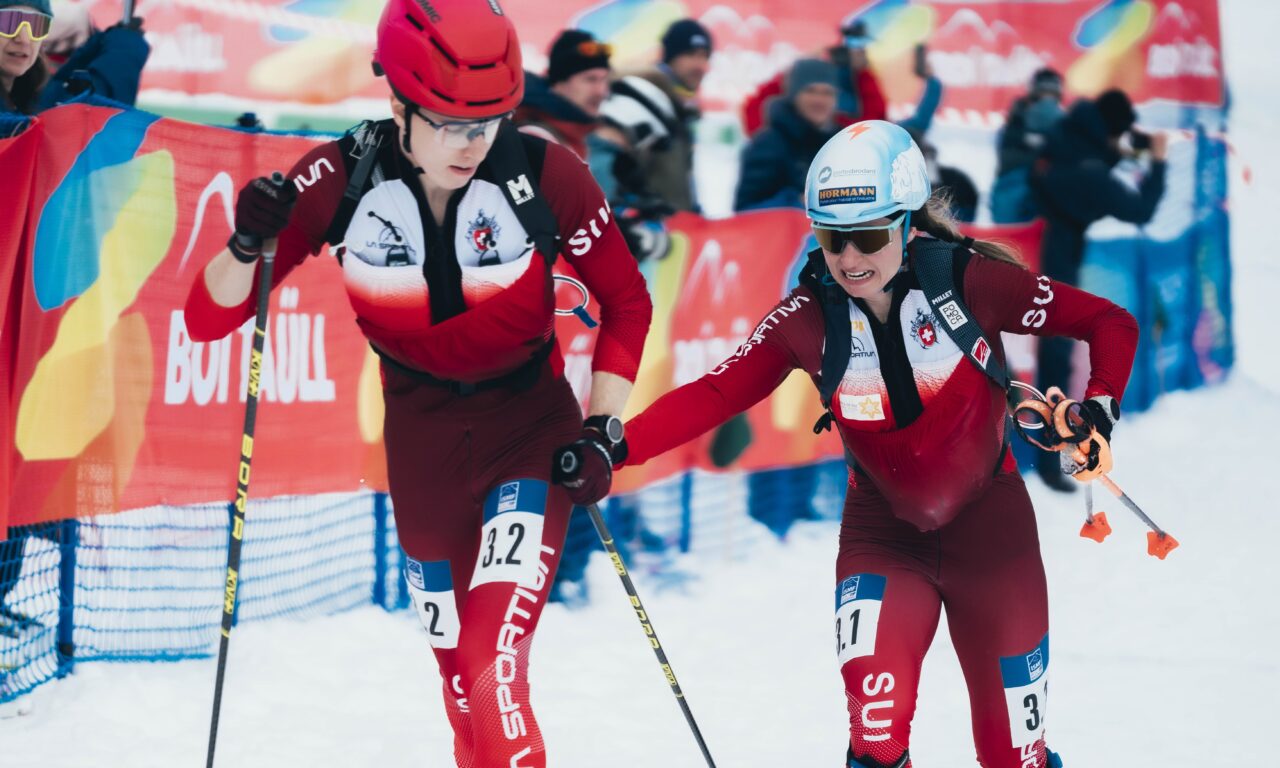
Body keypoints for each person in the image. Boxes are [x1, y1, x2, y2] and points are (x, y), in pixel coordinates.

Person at [182, 2, 652, 765]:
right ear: (398, 102)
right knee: (459, 682)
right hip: (422, 452)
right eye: (452, 123)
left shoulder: (544, 173)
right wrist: (246, 241)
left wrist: (602, 429)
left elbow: (628, 300)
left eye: (491, 120)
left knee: (492, 664)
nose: (474, 142)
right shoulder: (339, 177)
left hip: (530, 435)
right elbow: (209, 320)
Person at [596, 122, 1139, 767]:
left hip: (993, 540)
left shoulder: (970, 283)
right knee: (876, 739)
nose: (850, 257)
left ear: (907, 226)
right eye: (831, 238)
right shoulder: (807, 317)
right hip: (883, 539)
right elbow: (716, 393)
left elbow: (1109, 322)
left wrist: (1098, 409)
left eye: (869, 236)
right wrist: (614, 449)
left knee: (1013, 755)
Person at [1030, 88, 1166, 491]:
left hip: (1022, 246)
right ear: (1112, 130)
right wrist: (1158, 162)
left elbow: (1083, 167)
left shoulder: (1065, 136)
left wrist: (1117, 152)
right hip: (1053, 260)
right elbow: (1139, 208)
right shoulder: (1091, 173)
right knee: (1054, 356)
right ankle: (1048, 459)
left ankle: (1030, 453)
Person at [733, 58, 839, 212]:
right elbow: (745, 211)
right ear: (794, 95)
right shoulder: (769, 144)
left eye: (827, 93)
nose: (819, 100)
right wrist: (797, 202)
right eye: (810, 91)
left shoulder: (841, 143)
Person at [515, 28, 611, 160]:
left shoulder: (575, 136)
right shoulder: (537, 139)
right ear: (558, 83)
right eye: (590, 79)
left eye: (605, 80)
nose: (601, 92)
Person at [991, 68, 1066, 224]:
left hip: (1045, 187)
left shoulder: (1063, 124)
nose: (1047, 103)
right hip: (1016, 184)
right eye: (1043, 94)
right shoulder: (1016, 121)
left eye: (1051, 96)